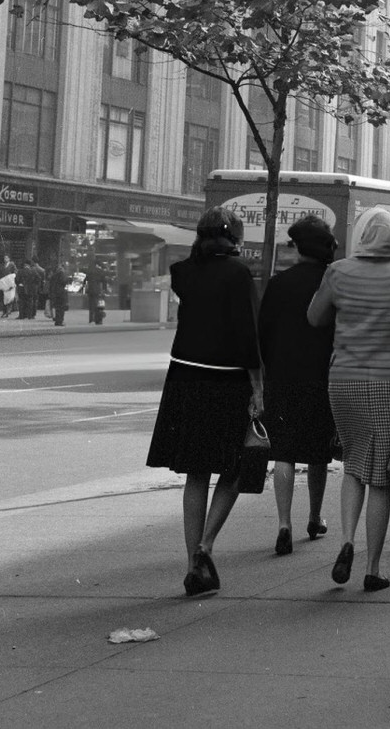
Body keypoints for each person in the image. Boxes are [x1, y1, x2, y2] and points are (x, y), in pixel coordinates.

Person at [307, 208, 390, 593]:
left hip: (344, 383)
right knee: (381, 477)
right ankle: (373, 567)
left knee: (355, 462)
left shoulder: (338, 271)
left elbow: (314, 318)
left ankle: (346, 541)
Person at [146, 206, 263, 598]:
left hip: (185, 378)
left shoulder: (183, 272)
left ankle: (191, 563)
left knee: (196, 472)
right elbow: (249, 336)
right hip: (226, 381)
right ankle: (206, 546)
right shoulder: (239, 274)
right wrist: (259, 387)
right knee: (233, 466)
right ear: (233, 237)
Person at [258, 215, 339, 556]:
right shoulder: (333, 282)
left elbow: (262, 336)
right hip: (321, 379)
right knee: (318, 453)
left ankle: (283, 523)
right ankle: (315, 517)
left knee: (285, 454)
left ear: (297, 248)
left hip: (282, 378)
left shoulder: (278, 285)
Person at [46, 261, 69, 326]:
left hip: (55, 293)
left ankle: (57, 321)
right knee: (61, 308)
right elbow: (63, 281)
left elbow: (51, 284)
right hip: (61, 293)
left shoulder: (54, 274)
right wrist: (68, 280)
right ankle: (60, 321)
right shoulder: (62, 274)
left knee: (57, 307)